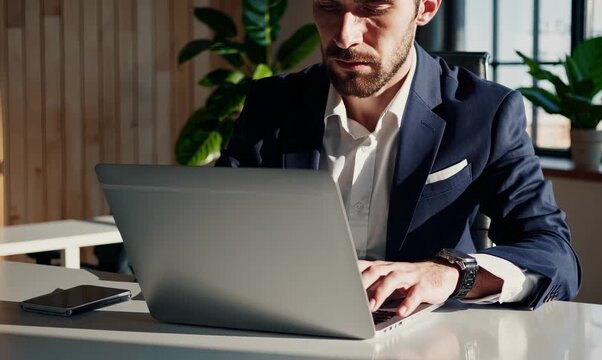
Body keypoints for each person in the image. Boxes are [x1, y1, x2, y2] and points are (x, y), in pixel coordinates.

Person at [217, 0, 581, 316]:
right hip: (286, 330)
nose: (345, 37)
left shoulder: (486, 113)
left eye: (373, 9)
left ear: (425, 8)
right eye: (328, 7)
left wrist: (451, 275)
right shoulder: (272, 103)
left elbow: (555, 255)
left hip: (428, 342)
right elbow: (217, 228)